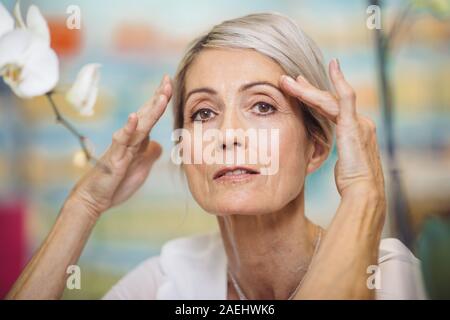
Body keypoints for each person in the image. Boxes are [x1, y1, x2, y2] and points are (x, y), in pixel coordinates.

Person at [7, 12, 426, 300]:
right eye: (204, 113)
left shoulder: (386, 276)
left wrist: (363, 194)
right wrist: (85, 203)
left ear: (316, 148)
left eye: (262, 106)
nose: (227, 135)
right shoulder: (167, 282)